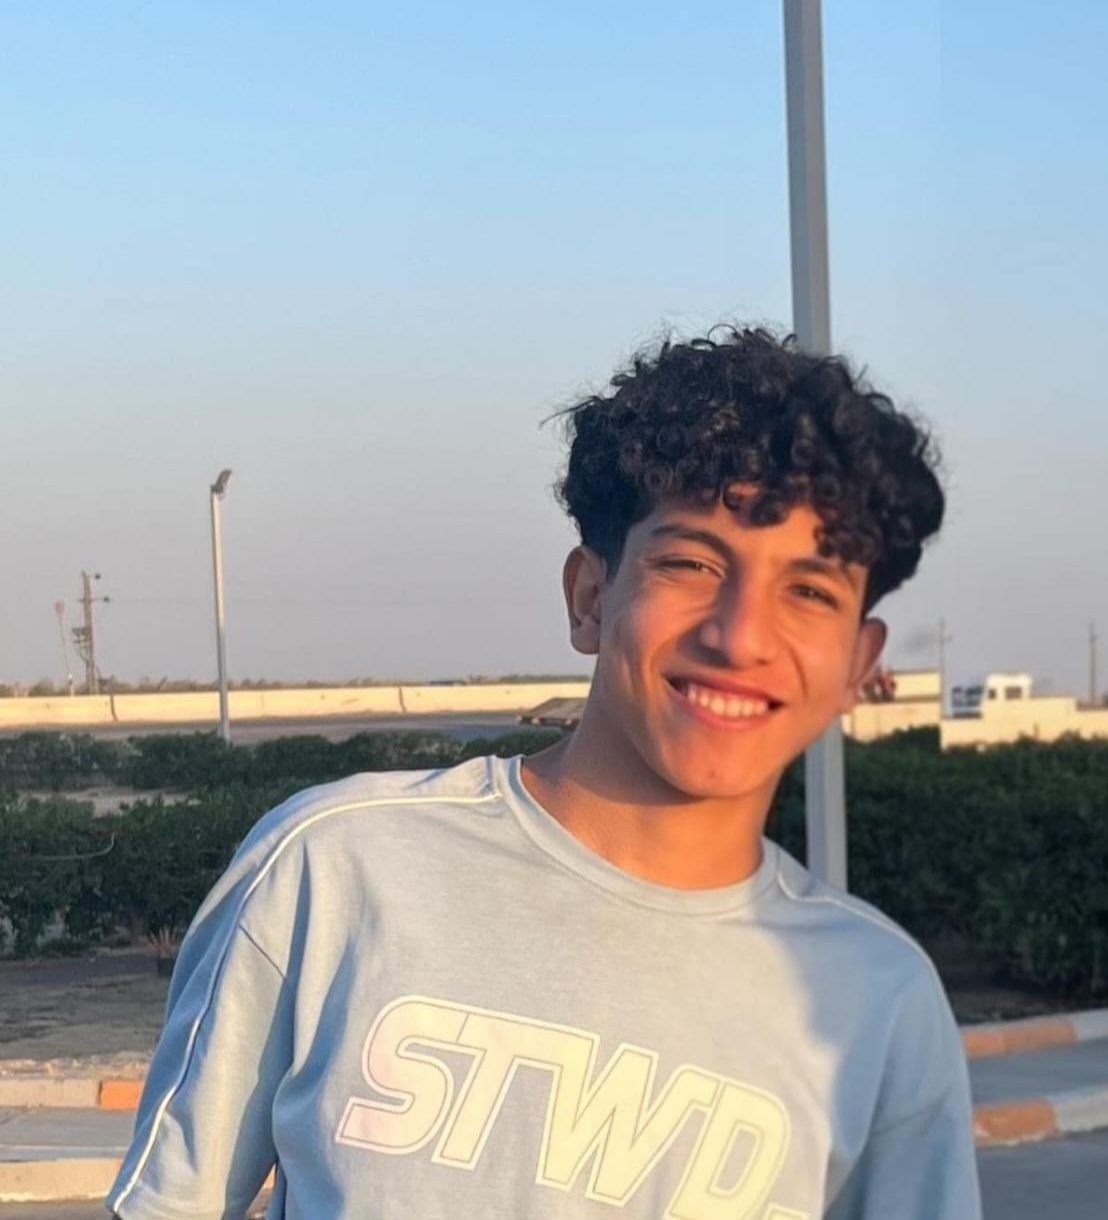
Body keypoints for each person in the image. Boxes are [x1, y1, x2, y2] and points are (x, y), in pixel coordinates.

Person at [107, 326, 980, 1219]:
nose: (740, 635)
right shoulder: (334, 869)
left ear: (855, 663)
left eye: (809, 591)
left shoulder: (879, 1001)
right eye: (690, 563)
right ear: (590, 597)